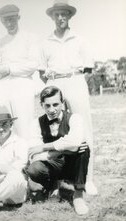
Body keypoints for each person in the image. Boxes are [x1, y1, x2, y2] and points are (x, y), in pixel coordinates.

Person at [39, 1, 97, 195]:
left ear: (69, 16)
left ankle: (88, 179)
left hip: (75, 81)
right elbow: (41, 71)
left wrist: (76, 82)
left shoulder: (80, 40)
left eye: (64, 14)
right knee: (55, 130)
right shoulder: (46, 42)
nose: (60, 18)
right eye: (57, 15)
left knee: (83, 128)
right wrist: (53, 85)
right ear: (52, 17)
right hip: (54, 83)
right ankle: (58, 180)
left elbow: (88, 69)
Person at [25, 86, 90, 215]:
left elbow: (75, 142)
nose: (52, 110)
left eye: (55, 104)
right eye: (47, 106)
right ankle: (53, 185)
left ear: (63, 102)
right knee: (33, 169)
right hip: (53, 164)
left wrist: (44, 146)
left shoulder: (74, 118)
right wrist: (69, 149)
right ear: (41, 105)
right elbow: (34, 154)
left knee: (83, 149)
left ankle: (78, 196)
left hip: (71, 164)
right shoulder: (36, 123)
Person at [0, 4, 39, 139]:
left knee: (24, 127)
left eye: (12, 19)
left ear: (18, 17)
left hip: (23, 86)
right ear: (2, 21)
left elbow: (33, 64)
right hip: (3, 88)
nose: (9, 23)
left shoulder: (30, 38)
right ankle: (8, 159)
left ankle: (27, 158)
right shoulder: (0, 43)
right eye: (5, 20)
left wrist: (11, 69)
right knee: (5, 126)